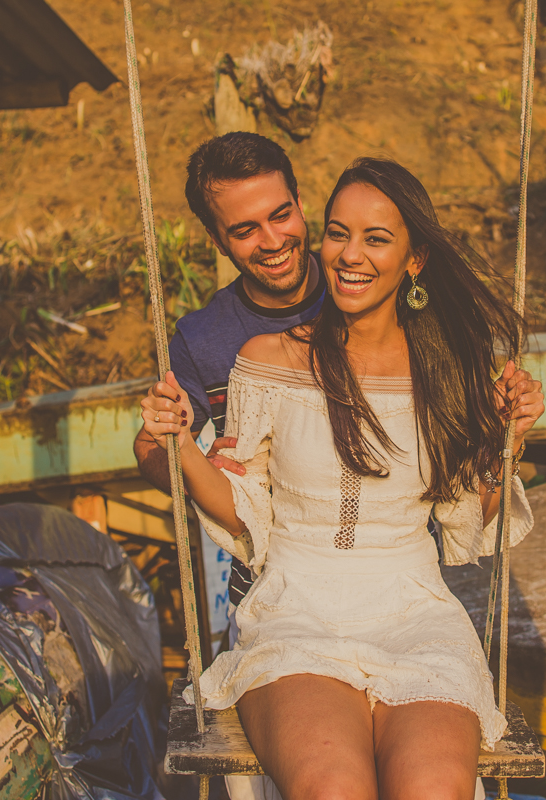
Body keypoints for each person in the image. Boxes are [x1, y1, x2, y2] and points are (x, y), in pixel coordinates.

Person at [141, 157, 545, 800]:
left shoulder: (450, 369)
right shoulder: (266, 360)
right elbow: (244, 507)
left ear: (414, 260)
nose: (350, 254)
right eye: (339, 233)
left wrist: (509, 441)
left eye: (375, 238)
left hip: (416, 611)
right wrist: (180, 443)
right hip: (295, 609)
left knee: (432, 789)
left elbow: (469, 516)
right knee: (332, 788)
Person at [134, 131, 325, 611]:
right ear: (218, 241)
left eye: (280, 215)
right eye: (244, 231)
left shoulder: (363, 291)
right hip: (269, 586)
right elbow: (150, 447)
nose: (272, 241)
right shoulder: (200, 340)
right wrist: (195, 465)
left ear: (300, 204)